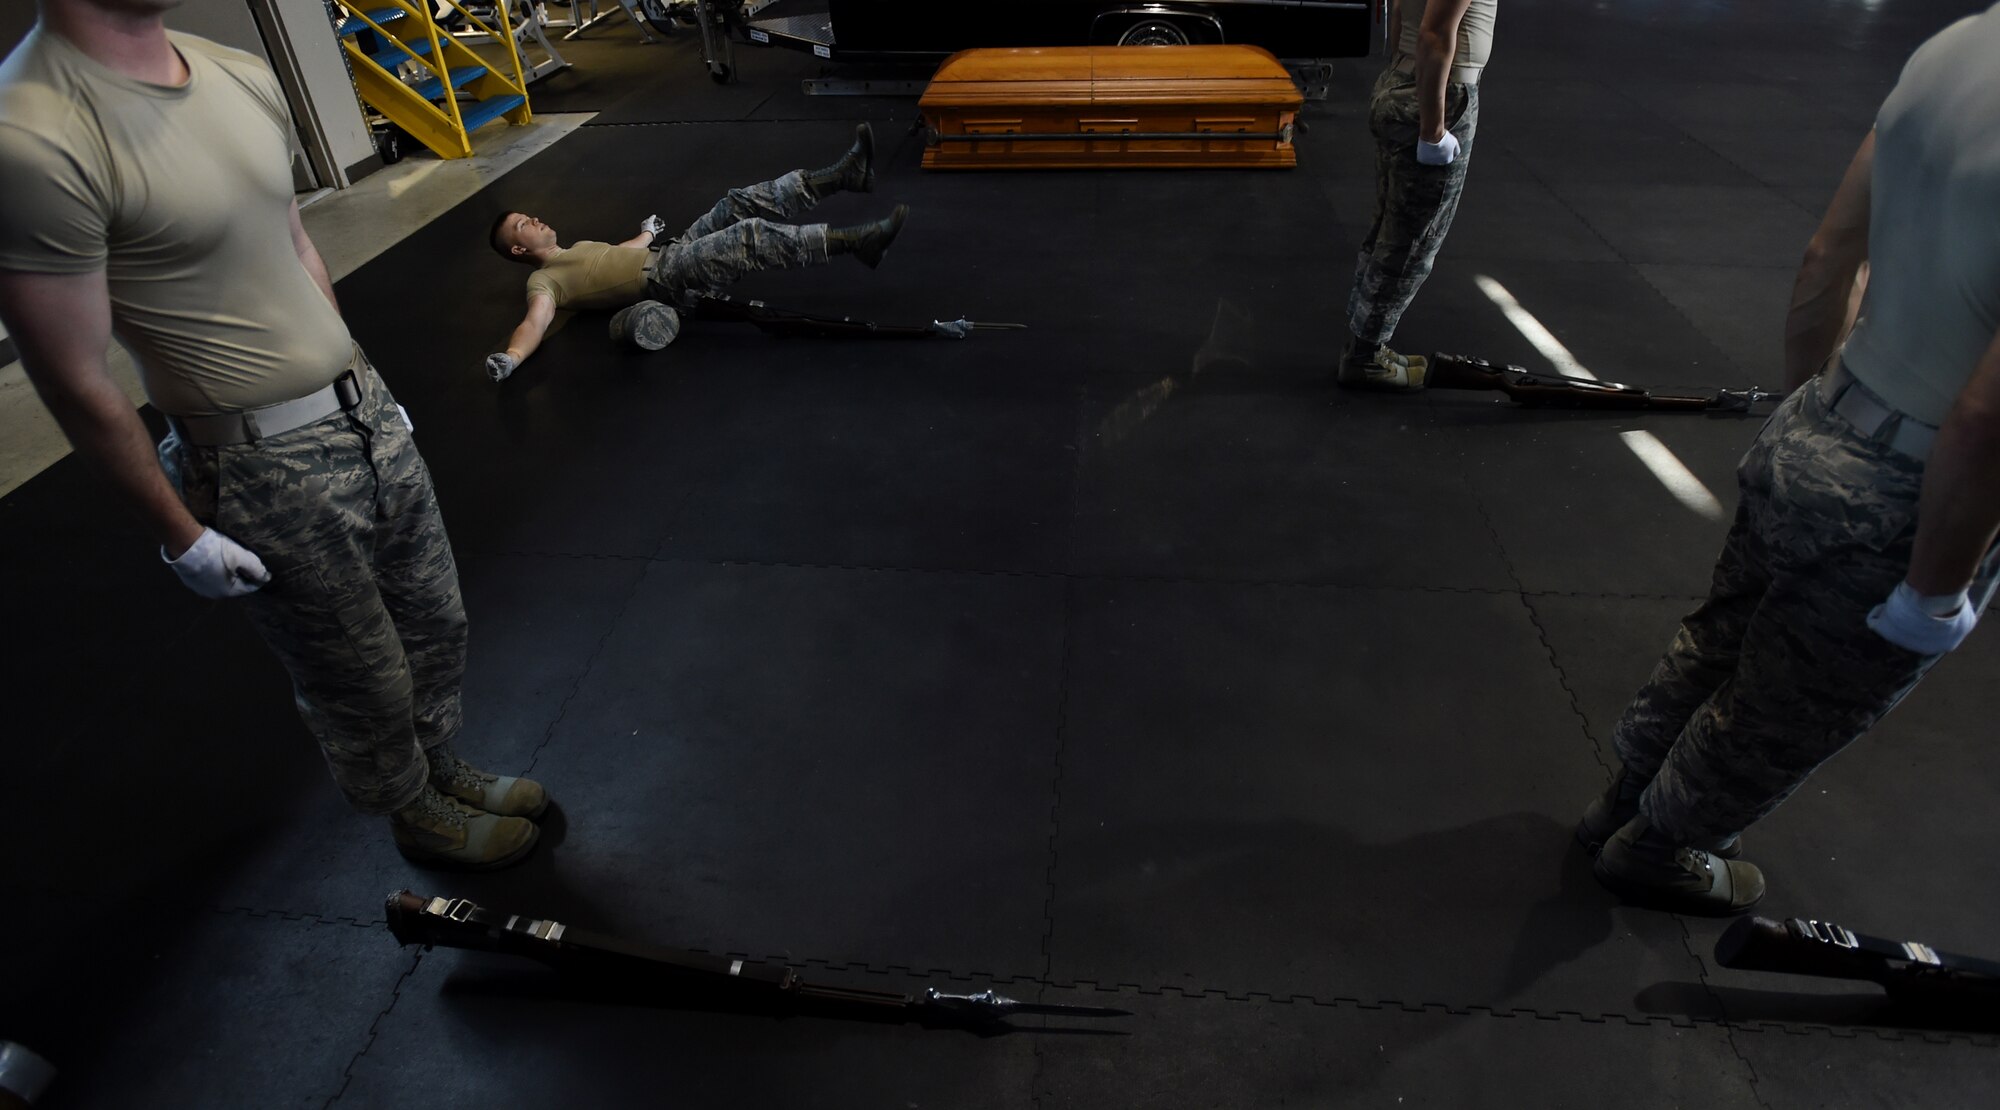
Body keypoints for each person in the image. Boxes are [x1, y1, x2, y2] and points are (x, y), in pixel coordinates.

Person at [0, 0, 547, 870]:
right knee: (357, 669)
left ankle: (441, 765)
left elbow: (293, 243)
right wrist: (181, 538)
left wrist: (359, 382)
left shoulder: (237, 73)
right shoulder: (31, 133)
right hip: (257, 460)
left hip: (362, 411)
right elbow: (71, 376)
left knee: (433, 620)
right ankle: (412, 809)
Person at [1575, 5, 2000, 915]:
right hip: (1915, 486)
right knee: (1790, 706)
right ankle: (1660, 849)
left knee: (1719, 642)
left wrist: (1804, 416)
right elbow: (1985, 415)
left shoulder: (1952, 50)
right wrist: (1933, 596)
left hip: (1824, 416)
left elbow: (1825, 260)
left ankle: (1617, 800)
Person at [484, 123, 908, 381]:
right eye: (525, 224)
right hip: (666, 282)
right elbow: (534, 323)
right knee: (748, 236)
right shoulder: (544, 281)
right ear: (520, 247)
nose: (536, 219)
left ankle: (842, 176)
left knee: (736, 203)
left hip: (671, 253)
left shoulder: (575, 248)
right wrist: (511, 357)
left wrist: (646, 232)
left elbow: (619, 253)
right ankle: (857, 244)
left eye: (530, 215)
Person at [1336, 0, 1497, 392]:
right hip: (1437, 94)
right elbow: (1434, 33)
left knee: (1388, 229)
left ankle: (1363, 341)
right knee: (1413, 241)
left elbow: (1401, 23)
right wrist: (1433, 129)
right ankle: (1366, 357)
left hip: (1403, 82)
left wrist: (1399, 78)